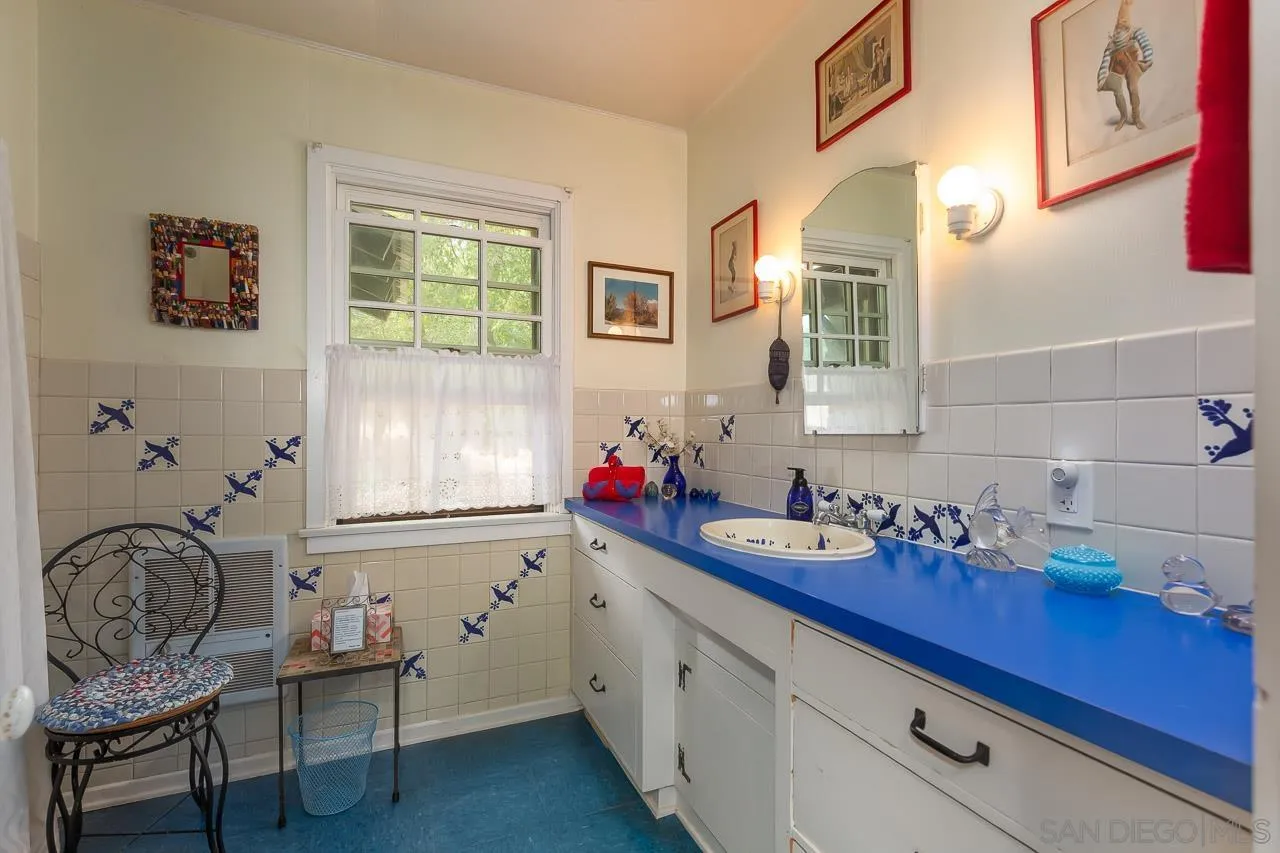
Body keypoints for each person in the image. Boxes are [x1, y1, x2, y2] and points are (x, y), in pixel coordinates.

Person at [1097, 0, 1154, 131]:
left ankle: (1136, 117)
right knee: (1117, 91)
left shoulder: (1135, 32)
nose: (1121, 30)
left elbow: (1145, 45)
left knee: (1133, 88)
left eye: (1123, 28)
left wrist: (1148, 60)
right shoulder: (1112, 45)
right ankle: (1123, 116)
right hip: (1117, 67)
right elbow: (1105, 63)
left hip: (1131, 65)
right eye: (1119, 29)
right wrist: (1101, 79)